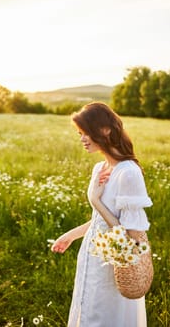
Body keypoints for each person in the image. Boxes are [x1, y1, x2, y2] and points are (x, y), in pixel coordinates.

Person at [51, 102, 152, 327]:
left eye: (86, 132)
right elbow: (98, 221)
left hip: (115, 265)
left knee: (104, 317)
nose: (82, 138)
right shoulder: (100, 169)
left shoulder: (129, 173)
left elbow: (131, 238)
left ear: (105, 130)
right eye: (80, 133)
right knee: (87, 312)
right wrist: (70, 236)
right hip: (93, 257)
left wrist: (96, 200)